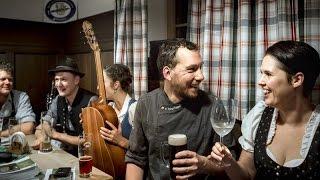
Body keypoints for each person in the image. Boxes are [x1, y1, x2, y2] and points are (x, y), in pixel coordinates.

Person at [125, 39, 235, 179]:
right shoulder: (146, 103)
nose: (201, 76)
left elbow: (229, 164)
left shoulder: (212, 105)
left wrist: (204, 164)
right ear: (168, 73)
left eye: (200, 67)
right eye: (191, 69)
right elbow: (136, 158)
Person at [210, 41, 320, 179]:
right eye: (262, 73)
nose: (260, 81)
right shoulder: (259, 115)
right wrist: (229, 163)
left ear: (296, 80)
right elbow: (246, 175)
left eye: (268, 74)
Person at [33, 58, 97, 156]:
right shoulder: (58, 99)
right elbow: (45, 122)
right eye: (56, 80)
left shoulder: (91, 101)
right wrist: (42, 137)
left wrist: (56, 135)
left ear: (76, 80)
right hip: (66, 153)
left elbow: (88, 141)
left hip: (86, 157)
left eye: (63, 79)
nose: (59, 84)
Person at [99, 64, 136, 149]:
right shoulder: (109, 107)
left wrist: (121, 141)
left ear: (116, 85)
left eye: (102, 82)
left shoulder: (135, 108)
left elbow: (145, 148)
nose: (98, 87)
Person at [0, 60, 35, 138]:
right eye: (3, 79)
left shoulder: (20, 97)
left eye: (10, 79)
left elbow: (29, 127)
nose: (7, 82)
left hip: (12, 145)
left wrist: (1, 134)